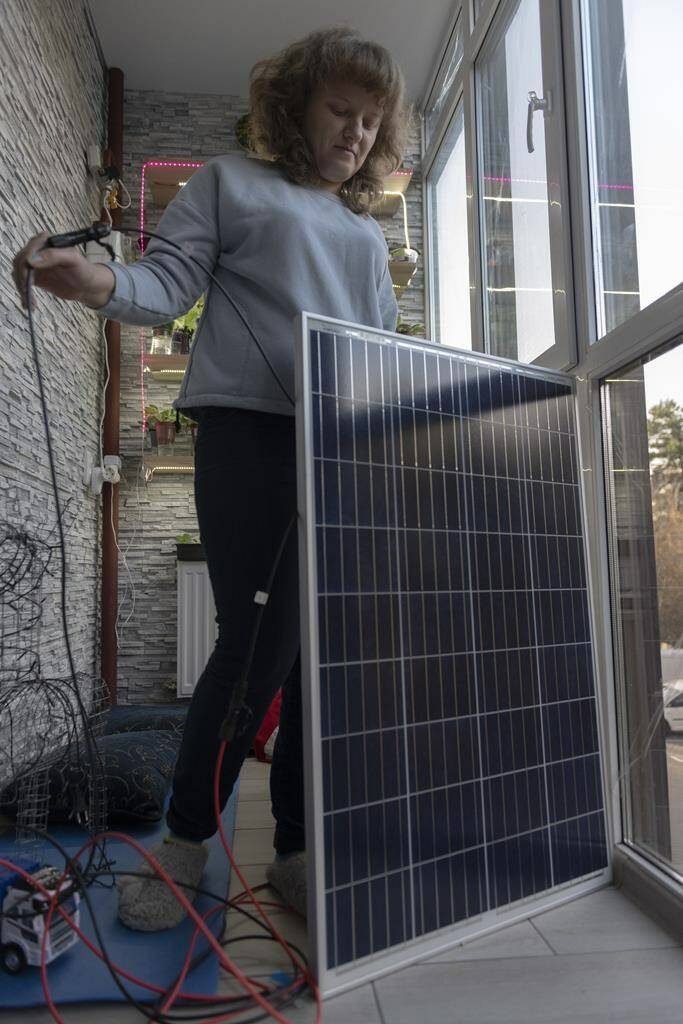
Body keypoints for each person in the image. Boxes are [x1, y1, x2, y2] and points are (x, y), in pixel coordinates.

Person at [12, 26, 409, 931]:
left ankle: (297, 851)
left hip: (339, 446)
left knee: (320, 657)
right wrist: (96, 280)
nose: (353, 131)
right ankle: (185, 842)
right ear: (295, 106)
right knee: (254, 648)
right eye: (339, 110)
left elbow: (380, 348)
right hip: (249, 436)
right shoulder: (230, 183)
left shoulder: (361, 229)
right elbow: (167, 281)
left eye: (369, 119)